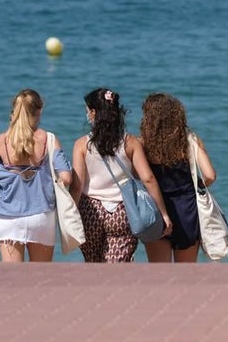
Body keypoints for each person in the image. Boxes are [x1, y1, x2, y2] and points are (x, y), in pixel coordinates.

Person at [0, 89, 72, 262]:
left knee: (13, 278)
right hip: (41, 216)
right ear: (39, 111)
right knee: (40, 276)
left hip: (8, 219)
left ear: (14, 111)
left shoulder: (1, 141)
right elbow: (66, 177)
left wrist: (4, 173)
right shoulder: (49, 139)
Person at [71, 88, 171, 263]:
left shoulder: (81, 144)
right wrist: (163, 213)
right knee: (118, 269)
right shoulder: (130, 142)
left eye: (87, 111)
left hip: (90, 212)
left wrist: (69, 215)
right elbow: (148, 178)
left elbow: (77, 186)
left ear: (94, 113)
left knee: (92, 263)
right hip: (123, 211)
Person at [139, 92, 217, 263]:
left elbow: (141, 176)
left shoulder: (143, 144)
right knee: (186, 274)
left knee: (159, 274)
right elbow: (210, 175)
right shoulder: (190, 139)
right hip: (187, 211)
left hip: (157, 210)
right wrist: (198, 188)